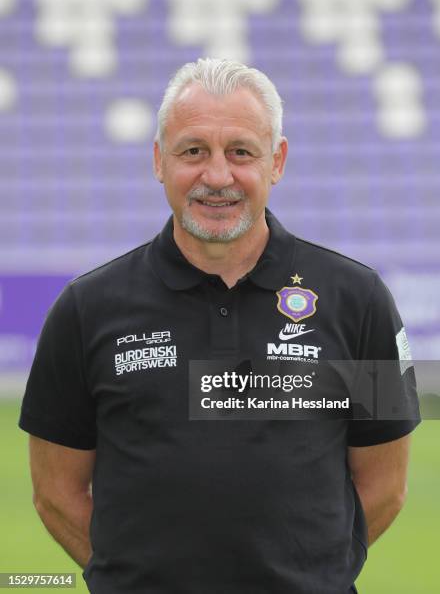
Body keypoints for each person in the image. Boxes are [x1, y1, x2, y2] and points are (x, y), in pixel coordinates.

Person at [19, 58, 420, 594]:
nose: (216, 176)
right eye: (192, 151)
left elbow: (386, 487)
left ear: (276, 161)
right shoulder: (84, 308)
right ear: (159, 161)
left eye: (240, 152)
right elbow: (54, 492)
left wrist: (308, 577)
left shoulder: (360, 299)